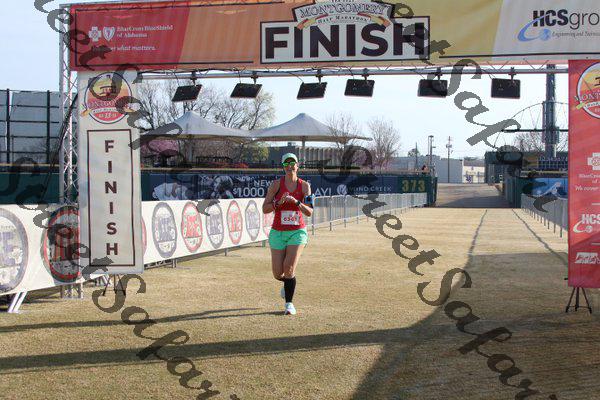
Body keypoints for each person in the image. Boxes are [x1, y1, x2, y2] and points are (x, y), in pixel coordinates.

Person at [262, 153, 313, 315]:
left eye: (293, 163)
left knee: (289, 268)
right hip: (278, 232)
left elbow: (310, 211)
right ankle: (287, 284)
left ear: (298, 165)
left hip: (297, 232)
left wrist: (296, 202)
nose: (290, 166)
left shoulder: (304, 186)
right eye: (286, 164)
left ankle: (289, 305)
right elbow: (265, 209)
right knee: (278, 273)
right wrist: (279, 203)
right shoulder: (276, 185)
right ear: (283, 167)